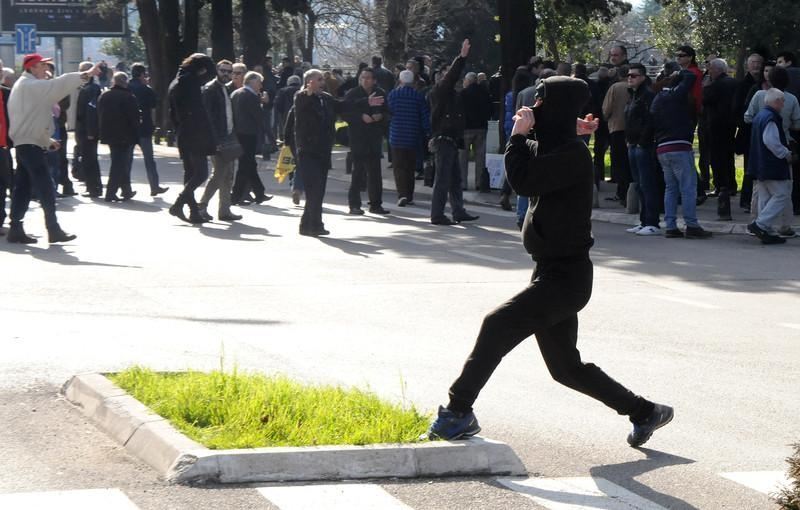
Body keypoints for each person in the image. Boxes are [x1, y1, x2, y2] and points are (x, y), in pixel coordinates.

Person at [423, 76, 673, 449]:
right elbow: (547, 146)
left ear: (554, 108)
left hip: (565, 278)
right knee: (566, 369)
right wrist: (554, 128)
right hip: (551, 271)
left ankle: (458, 411)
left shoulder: (571, 155)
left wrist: (517, 137)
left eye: (540, 102)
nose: (533, 108)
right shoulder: (563, 147)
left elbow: (523, 179)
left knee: (497, 324)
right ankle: (644, 411)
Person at [7, 54, 100, 244]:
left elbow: (29, 119)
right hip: (30, 145)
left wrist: (46, 139)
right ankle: (53, 228)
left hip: (28, 143)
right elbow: (57, 85)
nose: (46, 69)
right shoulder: (29, 85)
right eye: (42, 66)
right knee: (46, 187)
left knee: (23, 187)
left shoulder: (25, 86)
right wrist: (85, 75)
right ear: (32, 68)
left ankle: (16, 227)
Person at [293, 68, 383, 236]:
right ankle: (315, 225)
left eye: (322, 79)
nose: (322, 82)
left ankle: (306, 224)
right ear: (309, 82)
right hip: (308, 151)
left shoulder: (326, 99)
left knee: (318, 190)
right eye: (318, 79)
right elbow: (303, 106)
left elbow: (343, 105)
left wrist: (366, 102)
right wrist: (309, 91)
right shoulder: (302, 97)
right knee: (314, 190)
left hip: (323, 150)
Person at [651, 69, 713, 239]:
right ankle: (691, 225)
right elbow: (691, 77)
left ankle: (671, 226)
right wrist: (680, 72)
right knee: (688, 188)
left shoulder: (656, 99)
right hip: (679, 146)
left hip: (662, 148)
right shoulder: (676, 95)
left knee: (671, 188)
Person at [428, 39, 479, 226]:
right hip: (443, 138)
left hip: (452, 138)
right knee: (442, 178)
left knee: (455, 178)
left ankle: (458, 210)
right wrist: (461, 58)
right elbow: (451, 77)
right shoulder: (440, 91)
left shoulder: (452, 95)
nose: (449, 76)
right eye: (445, 73)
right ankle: (437, 214)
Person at [168, 52, 217, 224]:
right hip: (195, 132)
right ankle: (178, 204)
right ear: (202, 70)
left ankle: (193, 211)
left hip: (184, 132)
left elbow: (173, 113)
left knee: (190, 173)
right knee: (201, 173)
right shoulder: (189, 83)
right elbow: (198, 112)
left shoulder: (177, 81)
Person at [747, 88, 794, 244]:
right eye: (782, 101)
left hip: (760, 163)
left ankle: (766, 229)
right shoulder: (771, 118)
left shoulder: (760, 116)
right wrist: (786, 153)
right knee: (781, 194)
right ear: (776, 101)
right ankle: (761, 224)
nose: (783, 104)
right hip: (772, 164)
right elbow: (771, 141)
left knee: (765, 196)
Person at [198, 59, 242, 222]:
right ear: (217, 70)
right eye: (223, 71)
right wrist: (214, 140)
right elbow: (208, 117)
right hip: (217, 139)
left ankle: (224, 210)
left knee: (228, 174)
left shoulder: (225, 88)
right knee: (219, 174)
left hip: (228, 136)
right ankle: (201, 205)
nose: (226, 74)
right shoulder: (211, 89)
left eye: (229, 71)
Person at [342, 68, 390, 215]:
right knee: (358, 172)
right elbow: (345, 112)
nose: (365, 80)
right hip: (358, 137)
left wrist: (381, 116)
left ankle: (376, 204)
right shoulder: (353, 93)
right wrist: (360, 117)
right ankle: (354, 204)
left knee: (375, 173)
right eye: (363, 78)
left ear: (374, 80)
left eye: (368, 78)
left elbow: (389, 112)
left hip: (374, 137)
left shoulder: (380, 93)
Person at [623, 64, 660, 236]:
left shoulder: (648, 96)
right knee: (638, 184)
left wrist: (642, 142)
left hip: (643, 145)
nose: (630, 78)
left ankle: (652, 222)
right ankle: (644, 220)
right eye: (629, 75)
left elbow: (651, 121)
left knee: (647, 184)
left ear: (643, 77)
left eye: (634, 75)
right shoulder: (633, 96)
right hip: (632, 143)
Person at [702, 58, 738, 220]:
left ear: (716, 70)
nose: (709, 72)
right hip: (730, 124)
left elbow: (705, 100)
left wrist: (705, 87)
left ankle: (720, 185)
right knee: (728, 156)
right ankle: (731, 185)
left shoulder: (715, 85)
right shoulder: (733, 83)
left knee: (716, 157)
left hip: (715, 124)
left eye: (710, 69)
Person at [387, 70, 430, 207]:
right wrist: (427, 132)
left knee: (398, 168)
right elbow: (424, 117)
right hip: (413, 136)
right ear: (413, 82)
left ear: (400, 81)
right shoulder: (418, 96)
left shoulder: (393, 95)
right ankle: (410, 195)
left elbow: (388, 114)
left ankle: (402, 194)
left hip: (397, 136)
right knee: (410, 168)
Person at [230, 71, 271, 206]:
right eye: (259, 82)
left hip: (238, 133)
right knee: (245, 165)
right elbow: (259, 117)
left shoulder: (236, 93)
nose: (260, 86)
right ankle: (235, 195)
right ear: (252, 81)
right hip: (248, 134)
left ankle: (259, 192)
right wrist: (270, 136)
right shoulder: (250, 95)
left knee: (249, 164)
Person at [98, 72, 140, 203]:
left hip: (109, 134)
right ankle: (111, 192)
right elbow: (134, 118)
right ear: (125, 82)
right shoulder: (128, 97)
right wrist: (136, 135)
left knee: (120, 162)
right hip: (124, 135)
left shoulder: (104, 95)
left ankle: (126, 190)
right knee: (119, 164)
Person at [128, 63, 168, 196]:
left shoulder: (126, 87)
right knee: (149, 159)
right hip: (144, 128)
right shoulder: (146, 89)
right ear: (141, 75)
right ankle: (154, 186)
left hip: (129, 128)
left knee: (126, 160)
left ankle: (125, 188)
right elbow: (154, 107)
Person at [734, 53, 765, 212]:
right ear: (748, 65)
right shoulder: (743, 85)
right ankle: (746, 199)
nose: (756, 65)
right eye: (753, 62)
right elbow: (738, 107)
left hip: (762, 129)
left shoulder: (764, 84)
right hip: (748, 130)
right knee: (748, 167)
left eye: (759, 63)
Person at [602, 64, 632, 205]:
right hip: (632, 129)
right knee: (631, 162)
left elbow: (606, 109)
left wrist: (606, 117)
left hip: (617, 127)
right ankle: (633, 192)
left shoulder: (615, 88)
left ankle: (622, 193)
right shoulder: (634, 87)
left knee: (619, 162)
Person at [459, 71, 492, 192]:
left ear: (467, 81)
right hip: (481, 128)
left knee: (463, 156)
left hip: (466, 128)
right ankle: (479, 182)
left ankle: (463, 182)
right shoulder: (484, 93)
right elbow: (490, 109)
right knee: (480, 156)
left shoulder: (462, 93)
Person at [75, 61, 103, 198]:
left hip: (87, 131)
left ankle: (93, 187)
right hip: (85, 129)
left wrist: (91, 131)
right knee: (89, 158)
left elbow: (91, 111)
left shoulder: (91, 89)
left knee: (89, 159)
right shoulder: (87, 88)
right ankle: (93, 186)